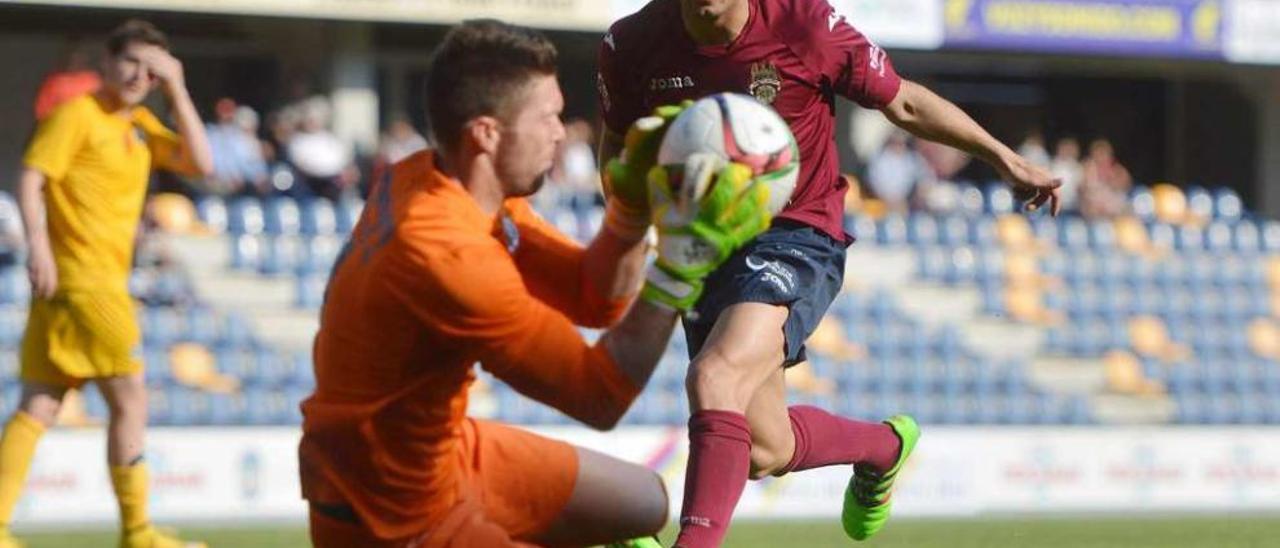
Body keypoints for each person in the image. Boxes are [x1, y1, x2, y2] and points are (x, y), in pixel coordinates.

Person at [597, 1, 1061, 546]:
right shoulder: (630, 43)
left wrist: (1005, 158)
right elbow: (618, 148)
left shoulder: (804, 23)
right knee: (764, 450)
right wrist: (635, 223)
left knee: (714, 377)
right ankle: (884, 448)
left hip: (796, 232)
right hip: (708, 246)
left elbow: (904, 102)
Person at [297, 19, 769, 547]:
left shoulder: (428, 177)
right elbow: (600, 397)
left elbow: (594, 300)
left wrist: (630, 210)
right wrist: (682, 264)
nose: (560, 132)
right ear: (486, 133)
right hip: (386, 511)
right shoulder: (447, 257)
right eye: (547, 117)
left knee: (645, 502)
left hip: (440, 452)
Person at [1, 19, 212, 548]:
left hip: (83, 284)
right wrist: (39, 246)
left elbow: (201, 164)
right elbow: (31, 176)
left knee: (40, 403)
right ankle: (138, 532)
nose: (140, 75)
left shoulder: (137, 124)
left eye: (152, 68)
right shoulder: (78, 115)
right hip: (86, 281)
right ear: (106, 64)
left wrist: (179, 89)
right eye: (131, 63)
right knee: (131, 399)